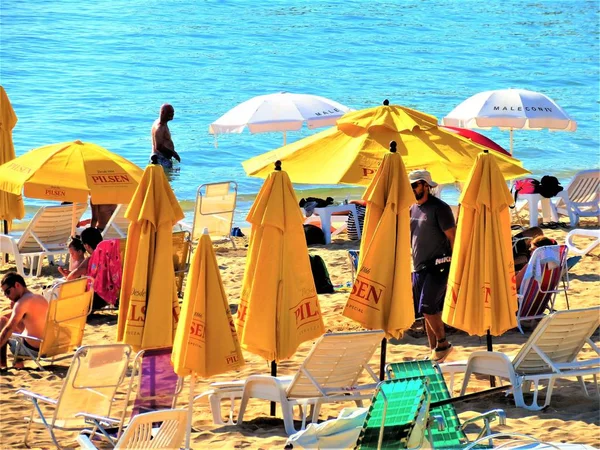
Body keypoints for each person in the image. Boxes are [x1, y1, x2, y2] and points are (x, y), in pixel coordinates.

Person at [409, 169, 456, 363]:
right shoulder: (412, 207)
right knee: (427, 311)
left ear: (426, 185)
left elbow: (454, 237)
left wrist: (455, 265)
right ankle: (434, 350)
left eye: (415, 185)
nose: (412, 189)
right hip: (419, 266)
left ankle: (443, 343)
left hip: (440, 264)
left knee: (427, 307)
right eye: (409, 186)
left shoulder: (440, 208)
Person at [0, 272, 49, 368]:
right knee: (5, 319)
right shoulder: (40, 298)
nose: (6, 296)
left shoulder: (22, 303)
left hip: (32, 349)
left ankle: (2, 365)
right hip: (47, 346)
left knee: (2, 322)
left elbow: (8, 329)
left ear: (17, 285)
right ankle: (18, 364)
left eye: (8, 292)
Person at [67, 227, 109, 311]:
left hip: (93, 299)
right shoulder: (109, 256)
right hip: (109, 295)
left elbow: (71, 277)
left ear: (86, 246)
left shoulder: (91, 260)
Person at [151, 103, 181, 169]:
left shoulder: (161, 123)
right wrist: (174, 153)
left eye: (173, 112)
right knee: (167, 178)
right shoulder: (160, 127)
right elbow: (158, 146)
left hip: (161, 158)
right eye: (169, 112)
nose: (172, 114)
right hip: (161, 159)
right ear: (163, 112)